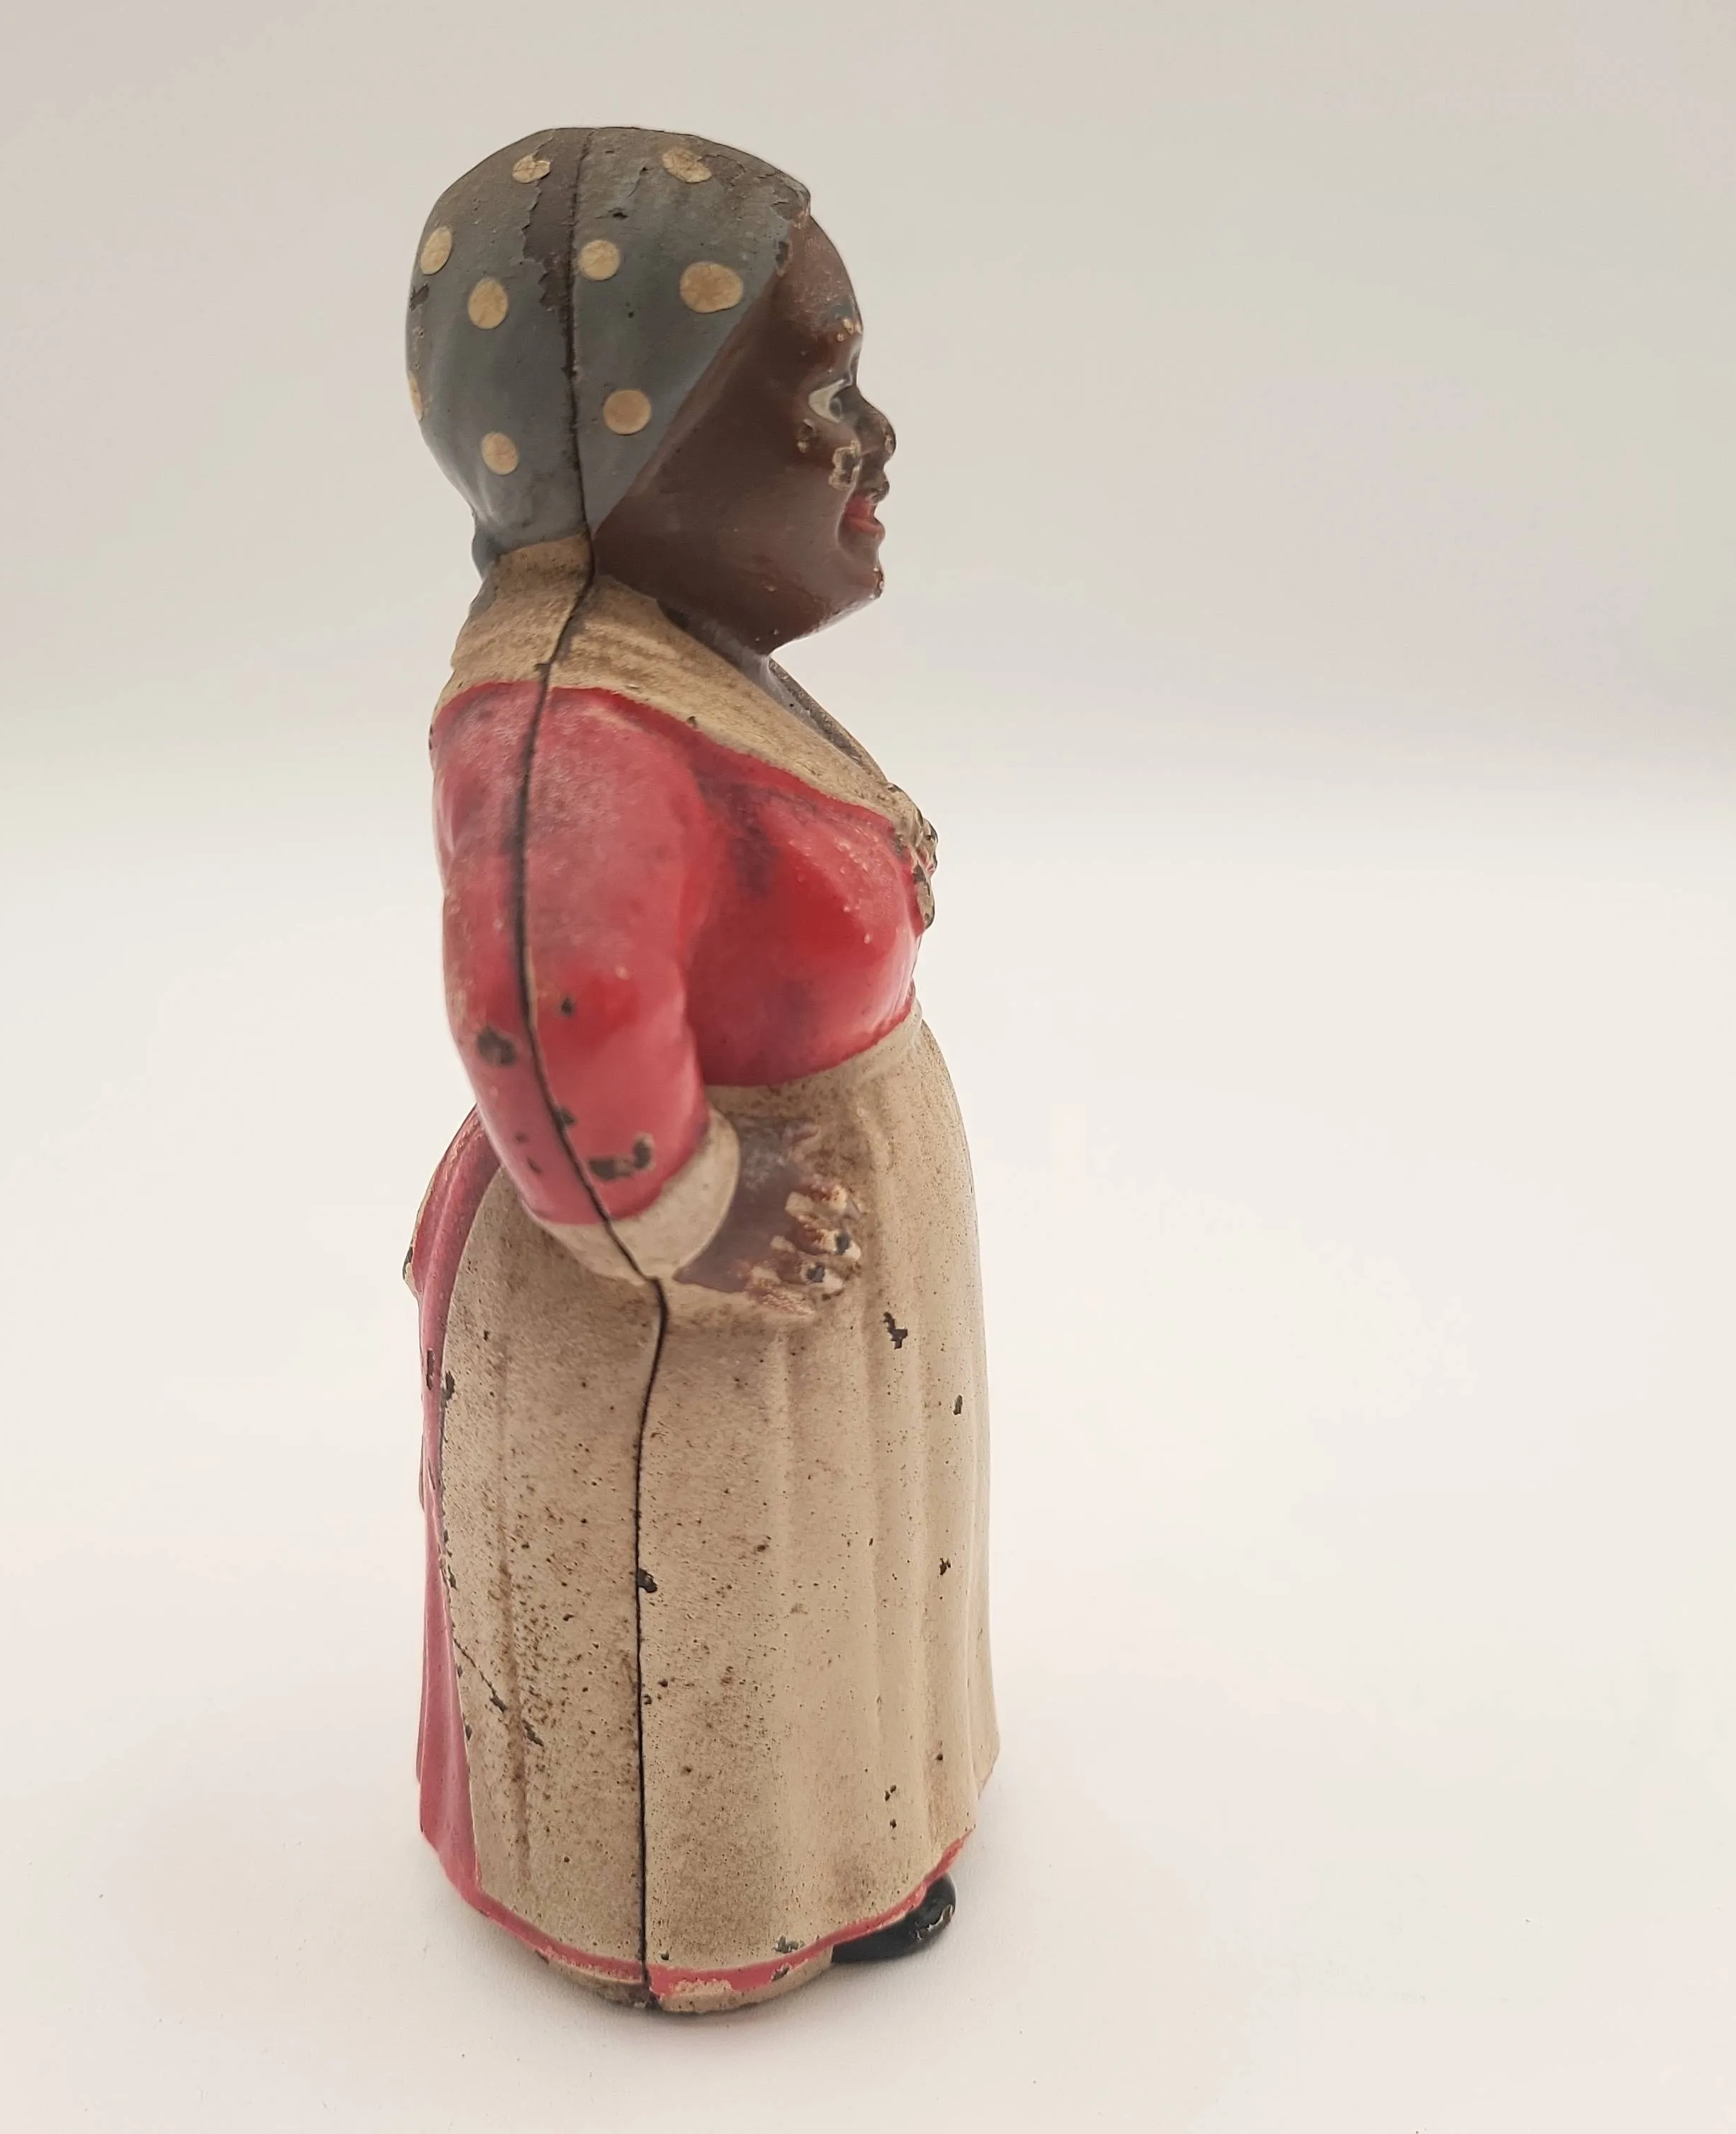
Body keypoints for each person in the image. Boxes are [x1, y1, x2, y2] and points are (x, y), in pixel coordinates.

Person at [402, 127, 996, 2012]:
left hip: (804, 1274)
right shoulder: (567, 722)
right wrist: (690, 1222)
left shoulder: (669, 646)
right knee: (709, 1588)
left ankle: (854, 1841)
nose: (869, 438)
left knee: (822, 1574)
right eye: (815, 392)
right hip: (680, 1311)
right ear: (625, 447)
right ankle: (697, 1907)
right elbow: (544, 1005)